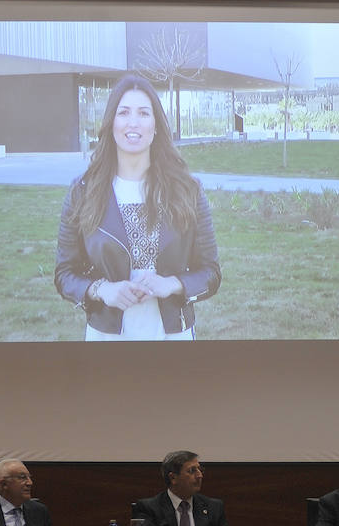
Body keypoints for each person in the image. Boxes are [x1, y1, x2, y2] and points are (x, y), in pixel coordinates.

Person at [55, 74, 220, 341]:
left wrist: (172, 284)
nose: (133, 122)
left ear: (156, 126)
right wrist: (101, 289)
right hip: (106, 336)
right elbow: (64, 275)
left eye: (144, 113)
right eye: (124, 113)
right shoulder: (82, 193)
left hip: (173, 336)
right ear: (111, 123)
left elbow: (210, 273)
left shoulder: (187, 191)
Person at [136, 450, 238, 526]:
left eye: (200, 470)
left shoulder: (213, 506)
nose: (200, 475)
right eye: (192, 471)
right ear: (173, 478)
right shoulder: (149, 507)